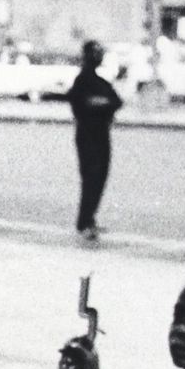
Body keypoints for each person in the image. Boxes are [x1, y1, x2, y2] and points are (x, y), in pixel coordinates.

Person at [68, 39, 122, 239]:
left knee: (99, 178)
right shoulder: (82, 81)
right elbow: (81, 104)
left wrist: (99, 102)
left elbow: (116, 101)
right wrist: (102, 103)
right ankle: (84, 222)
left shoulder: (100, 82)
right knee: (91, 178)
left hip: (101, 134)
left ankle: (89, 218)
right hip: (88, 136)